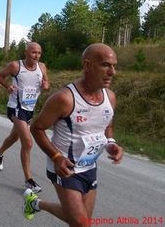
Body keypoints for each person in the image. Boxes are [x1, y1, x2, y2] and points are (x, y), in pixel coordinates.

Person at [24, 43, 124, 225]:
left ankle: (36, 204)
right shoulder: (65, 98)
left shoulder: (110, 97)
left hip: (89, 167)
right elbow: (36, 128)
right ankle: (36, 204)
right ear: (87, 65)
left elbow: (107, 125)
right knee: (82, 223)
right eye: (105, 65)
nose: (112, 72)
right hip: (65, 167)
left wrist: (111, 143)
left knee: (82, 220)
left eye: (114, 66)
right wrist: (56, 157)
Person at [0, 42, 49, 193]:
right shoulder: (15, 66)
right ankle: (28, 181)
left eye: (39, 53)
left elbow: (46, 81)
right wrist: (7, 86)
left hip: (29, 108)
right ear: (26, 52)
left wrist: (45, 85)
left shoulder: (42, 67)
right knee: (28, 142)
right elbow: (0, 76)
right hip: (15, 108)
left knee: (14, 137)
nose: (36, 55)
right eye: (33, 52)